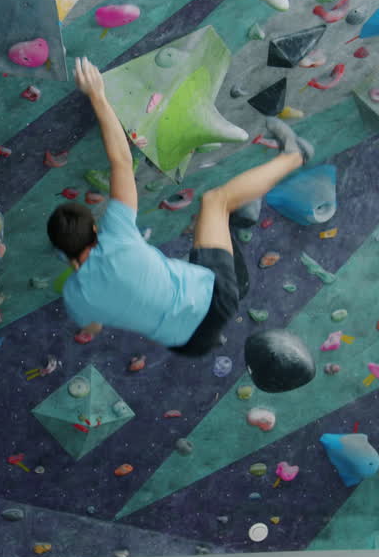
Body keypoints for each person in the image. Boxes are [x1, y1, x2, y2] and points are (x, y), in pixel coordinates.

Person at [47, 57, 311, 356]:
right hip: (216, 299)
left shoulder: (75, 297)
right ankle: (295, 156)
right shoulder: (116, 235)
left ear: (63, 254)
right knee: (215, 202)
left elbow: (92, 327)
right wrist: (96, 94)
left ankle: (216, 329)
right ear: (96, 230)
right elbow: (120, 161)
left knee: (186, 271)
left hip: (188, 345)